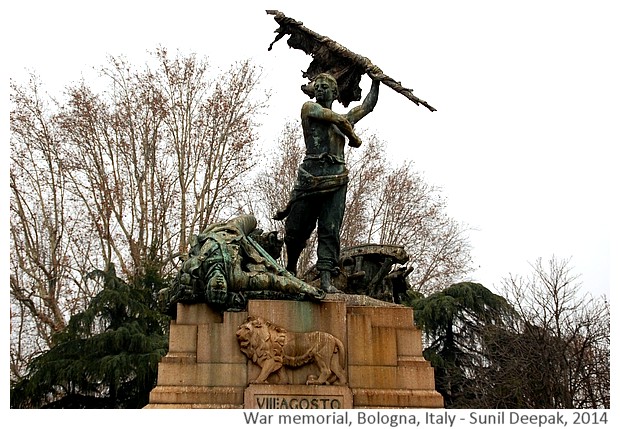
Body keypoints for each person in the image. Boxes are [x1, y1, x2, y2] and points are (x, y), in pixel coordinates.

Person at [275, 72, 379, 293]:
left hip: (337, 178)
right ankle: (290, 267)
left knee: (330, 228)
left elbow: (367, 106)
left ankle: (325, 279)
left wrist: (376, 81)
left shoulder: (346, 119)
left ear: (335, 92)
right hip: (310, 176)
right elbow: (337, 119)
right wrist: (354, 138)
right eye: (317, 86)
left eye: (325, 87)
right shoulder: (309, 108)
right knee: (295, 228)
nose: (320, 89)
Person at [162, 214, 325, 313]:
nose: (220, 284)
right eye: (222, 289)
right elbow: (275, 281)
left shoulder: (195, 271)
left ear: (207, 287)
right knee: (251, 221)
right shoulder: (237, 279)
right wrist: (307, 288)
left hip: (215, 231)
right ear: (227, 288)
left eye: (215, 288)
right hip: (236, 231)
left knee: (253, 220)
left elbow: (179, 279)